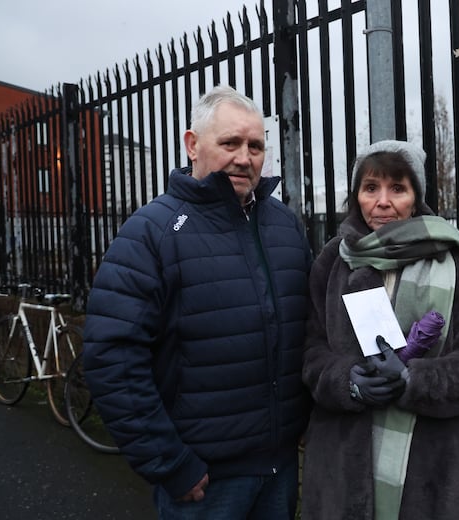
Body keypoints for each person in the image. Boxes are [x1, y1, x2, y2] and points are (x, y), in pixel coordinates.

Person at [82, 85, 312, 519]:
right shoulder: (151, 231)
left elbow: (311, 326)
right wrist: (170, 463)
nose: (245, 157)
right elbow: (111, 356)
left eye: (256, 145)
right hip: (204, 482)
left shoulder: (284, 224)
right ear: (192, 144)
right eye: (230, 143)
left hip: (280, 470)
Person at [300, 139, 459, 519]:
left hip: (434, 465)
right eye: (371, 187)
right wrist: (348, 381)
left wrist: (414, 379)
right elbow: (311, 352)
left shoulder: (455, 262)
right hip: (345, 461)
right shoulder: (332, 261)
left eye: (397, 188)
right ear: (357, 195)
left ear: (416, 196)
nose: (382, 201)